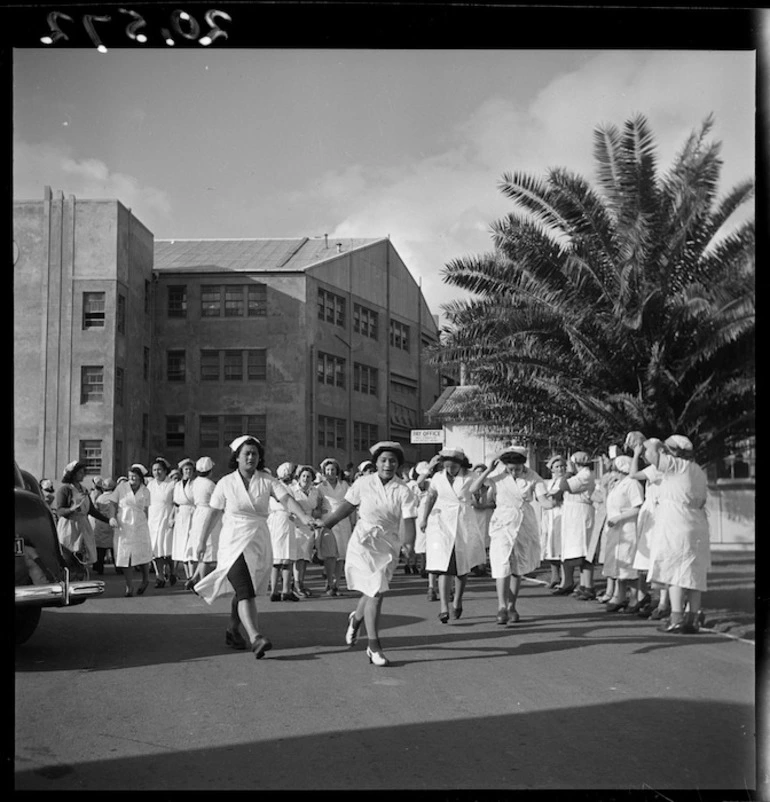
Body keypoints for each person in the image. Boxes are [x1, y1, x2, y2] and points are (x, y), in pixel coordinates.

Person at [193, 435, 317, 659]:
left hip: (258, 541)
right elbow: (213, 513)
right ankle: (255, 637)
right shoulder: (226, 482)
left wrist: (303, 516)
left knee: (243, 590)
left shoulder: (267, 480)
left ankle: (232, 629)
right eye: (246, 453)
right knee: (245, 590)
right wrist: (201, 541)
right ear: (237, 458)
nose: (251, 457)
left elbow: (287, 499)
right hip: (232, 542)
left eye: (255, 454)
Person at [317, 441, 418, 666]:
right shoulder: (363, 483)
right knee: (375, 591)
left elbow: (409, 520)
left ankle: (356, 620)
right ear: (376, 463)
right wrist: (326, 524)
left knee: (374, 590)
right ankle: (374, 646)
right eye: (383, 460)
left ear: (398, 465)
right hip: (363, 542)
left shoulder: (404, 490)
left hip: (387, 545)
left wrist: (409, 545)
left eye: (392, 461)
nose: (388, 464)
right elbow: (347, 507)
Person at [470, 446, 545, 624]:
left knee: (517, 566)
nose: (513, 472)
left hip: (523, 523)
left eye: (517, 468)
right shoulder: (498, 477)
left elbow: (543, 499)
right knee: (501, 564)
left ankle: (512, 606)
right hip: (502, 523)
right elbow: (473, 488)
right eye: (510, 468)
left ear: (523, 464)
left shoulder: (533, 477)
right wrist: (489, 468)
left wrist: (553, 502)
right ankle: (501, 606)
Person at [644, 435, 710, 634]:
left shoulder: (676, 465)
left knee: (674, 571)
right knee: (694, 573)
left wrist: (648, 444)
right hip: (696, 522)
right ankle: (693, 618)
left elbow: (651, 455)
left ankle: (676, 617)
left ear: (673, 451)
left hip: (676, 522)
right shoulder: (697, 470)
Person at [420, 448, 486, 623]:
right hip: (441, 522)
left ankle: (457, 600)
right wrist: (424, 519)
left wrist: (488, 472)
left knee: (461, 567)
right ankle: (443, 607)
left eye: (453, 466)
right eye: (446, 465)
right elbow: (431, 497)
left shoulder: (470, 476)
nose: (449, 469)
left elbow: (477, 489)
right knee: (444, 565)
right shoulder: (437, 477)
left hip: (462, 521)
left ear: (461, 464)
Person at [626, 431, 664, 618]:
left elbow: (633, 474)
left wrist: (635, 455)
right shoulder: (654, 468)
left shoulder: (656, 468)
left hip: (656, 512)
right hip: (650, 511)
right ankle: (649, 596)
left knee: (654, 557)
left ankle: (657, 598)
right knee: (647, 558)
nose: (643, 456)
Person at [54, 460, 115, 577]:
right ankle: (69, 579)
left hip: (83, 525)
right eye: (80, 472)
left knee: (82, 555)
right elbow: (60, 510)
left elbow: (91, 510)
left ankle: (81, 578)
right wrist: (71, 510)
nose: (83, 474)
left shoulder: (84, 490)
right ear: (73, 474)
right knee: (69, 555)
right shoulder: (65, 490)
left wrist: (109, 520)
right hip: (69, 527)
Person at [601, 455, 644, 611]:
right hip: (614, 530)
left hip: (627, 528)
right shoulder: (618, 485)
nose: (613, 473)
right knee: (618, 562)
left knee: (628, 562)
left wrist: (619, 518)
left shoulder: (632, 484)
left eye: (615, 469)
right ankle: (619, 596)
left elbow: (638, 507)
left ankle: (634, 598)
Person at [552, 451, 597, 598]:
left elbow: (564, 486)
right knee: (576, 551)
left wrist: (568, 473)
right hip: (572, 515)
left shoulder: (585, 475)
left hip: (581, 514)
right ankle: (581, 585)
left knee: (585, 551)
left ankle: (588, 586)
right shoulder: (578, 475)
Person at [106, 463, 153, 597]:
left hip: (139, 525)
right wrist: (112, 517)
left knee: (142, 553)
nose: (132, 478)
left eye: (135, 476)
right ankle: (129, 586)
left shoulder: (145, 491)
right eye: (130, 476)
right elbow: (112, 503)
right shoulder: (121, 488)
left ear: (140, 478)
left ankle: (145, 580)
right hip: (124, 524)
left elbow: (146, 510)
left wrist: (145, 524)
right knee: (125, 554)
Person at [316, 458, 352, 596]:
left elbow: (351, 503)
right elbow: (317, 506)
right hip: (328, 521)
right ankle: (329, 583)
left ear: (337, 471)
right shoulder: (320, 487)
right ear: (324, 472)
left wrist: (353, 522)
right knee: (330, 555)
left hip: (343, 521)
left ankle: (337, 584)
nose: (330, 472)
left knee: (341, 556)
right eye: (328, 470)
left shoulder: (344, 485)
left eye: (333, 470)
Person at [291, 465, 324, 597]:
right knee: (298, 557)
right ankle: (296, 585)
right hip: (296, 525)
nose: (305, 478)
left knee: (305, 557)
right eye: (303, 476)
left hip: (310, 527)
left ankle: (301, 583)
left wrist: (316, 515)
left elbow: (317, 509)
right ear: (299, 477)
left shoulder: (315, 492)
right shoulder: (292, 490)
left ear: (312, 479)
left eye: (308, 476)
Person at [268, 462, 299, 601]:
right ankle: (285, 590)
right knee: (286, 557)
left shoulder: (272, 486)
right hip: (285, 521)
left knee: (276, 558)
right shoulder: (286, 489)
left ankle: (274, 590)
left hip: (274, 522)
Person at [147, 457, 177, 588]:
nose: (157, 472)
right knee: (155, 550)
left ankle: (172, 572)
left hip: (166, 518)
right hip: (153, 519)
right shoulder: (150, 484)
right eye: (154, 470)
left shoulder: (172, 484)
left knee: (167, 550)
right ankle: (159, 577)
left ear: (165, 471)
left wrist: (173, 518)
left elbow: (177, 504)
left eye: (159, 469)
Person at [539, 454, 567, 589]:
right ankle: (555, 576)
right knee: (550, 546)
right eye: (557, 466)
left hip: (562, 514)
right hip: (550, 516)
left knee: (562, 546)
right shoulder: (549, 483)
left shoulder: (567, 481)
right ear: (552, 469)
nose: (560, 469)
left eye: (562, 466)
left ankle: (565, 579)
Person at [170, 458, 197, 588]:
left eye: (190, 470)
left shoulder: (196, 484)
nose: (188, 472)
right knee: (182, 548)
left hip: (193, 515)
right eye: (186, 469)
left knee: (191, 547)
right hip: (181, 516)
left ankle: (193, 576)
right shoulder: (177, 485)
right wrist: (172, 518)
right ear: (182, 471)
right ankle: (188, 576)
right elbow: (175, 504)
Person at [91, 478, 117, 574]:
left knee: (100, 548)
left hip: (101, 523)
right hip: (113, 523)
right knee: (115, 548)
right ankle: (119, 568)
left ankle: (99, 568)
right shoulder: (115, 497)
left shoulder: (100, 498)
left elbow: (96, 509)